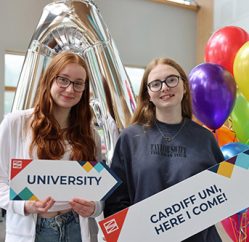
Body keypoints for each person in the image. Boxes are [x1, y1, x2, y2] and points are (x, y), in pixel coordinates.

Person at [104, 57, 224, 242]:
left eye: (171, 80)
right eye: (156, 84)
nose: (165, 87)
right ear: (148, 94)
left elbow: (224, 194)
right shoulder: (130, 139)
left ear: (184, 86)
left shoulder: (205, 139)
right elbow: (115, 202)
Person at [0, 51, 103, 242]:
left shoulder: (90, 134)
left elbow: (98, 189)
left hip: (77, 229)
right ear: (49, 80)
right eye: (63, 80)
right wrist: (25, 205)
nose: (70, 89)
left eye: (78, 83)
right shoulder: (15, 124)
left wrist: (94, 207)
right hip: (34, 229)